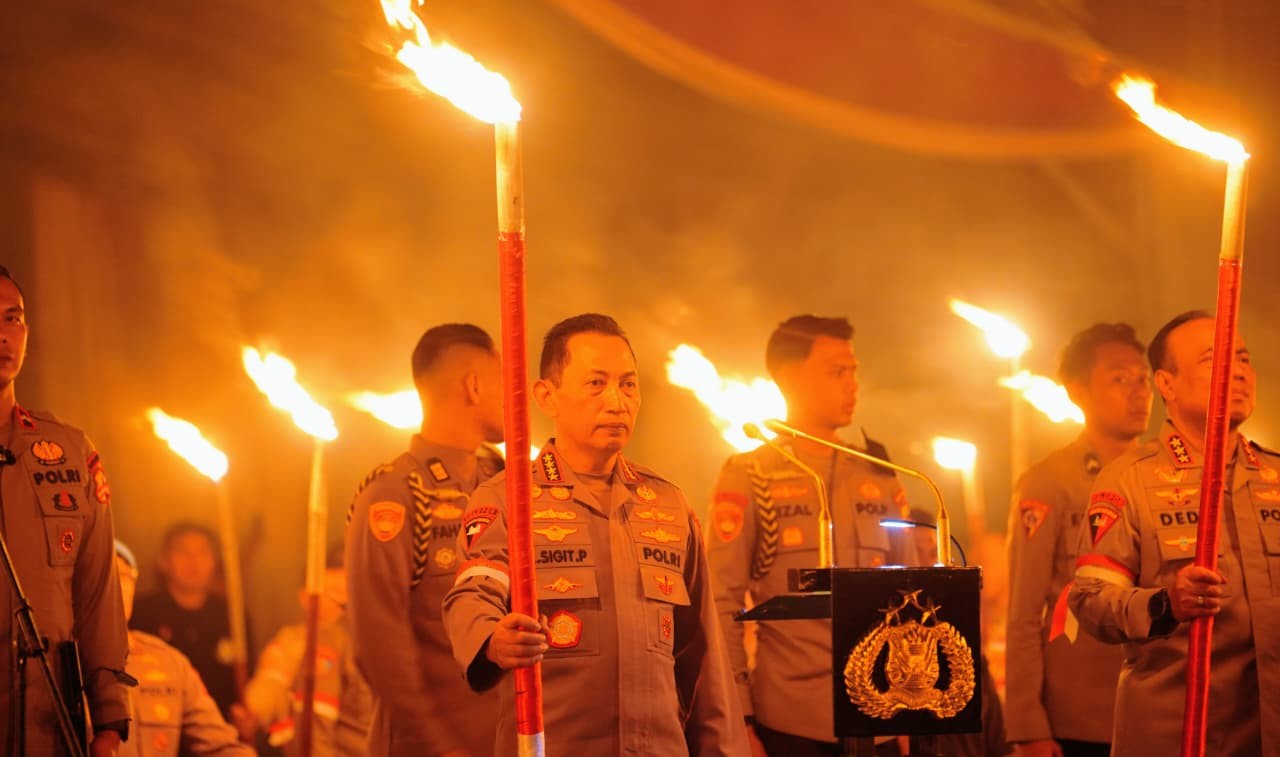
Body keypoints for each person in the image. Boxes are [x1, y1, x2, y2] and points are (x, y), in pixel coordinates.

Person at [443, 313, 747, 755]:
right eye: (596, 384)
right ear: (546, 396)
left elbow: (704, 663)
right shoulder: (510, 499)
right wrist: (492, 638)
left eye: (628, 385)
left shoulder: (668, 504)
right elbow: (474, 591)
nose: (617, 401)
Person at [1068, 310, 1280, 756]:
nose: (1238, 370)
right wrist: (1165, 604)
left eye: (1243, 357)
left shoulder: (1275, 477)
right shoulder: (1130, 479)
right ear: (1167, 384)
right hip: (1177, 735)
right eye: (1213, 359)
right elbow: (1090, 600)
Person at [706, 315, 916, 756]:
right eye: (837, 372)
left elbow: (913, 592)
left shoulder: (879, 474)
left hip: (881, 719)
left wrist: (912, 708)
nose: (852, 384)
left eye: (854, 371)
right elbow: (722, 603)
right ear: (790, 379)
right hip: (790, 722)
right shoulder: (751, 475)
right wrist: (741, 718)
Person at [345, 323, 506, 756]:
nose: (514, 396)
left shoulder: (503, 483)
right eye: (503, 379)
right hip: (430, 746)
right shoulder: (396, 495)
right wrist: (438, 747)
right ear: (474, 386)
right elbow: (380, 647)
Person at [0, 266, 131, 755]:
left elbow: (97, 593)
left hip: (49, 722)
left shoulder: (69, 451)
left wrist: (110, 719)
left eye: (13, 318)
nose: (3, 334)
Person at [1005, 323, 1152, 757]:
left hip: (1157, 711)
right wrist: (1027, 725)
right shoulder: (1050, 482)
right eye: (1119, 379)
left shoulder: (1167, 478)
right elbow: (1024, 612)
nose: (1138, 392)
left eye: (1142, 378)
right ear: (1077, 391)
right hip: (1081, 715)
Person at [115, 540, 252, 757]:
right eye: (105, 574)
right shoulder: (62, 663)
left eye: (125, 576)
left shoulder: (169, 663)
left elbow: (220, 746)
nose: (117, 586)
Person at [237, 545, 373, 755]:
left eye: (346, 592)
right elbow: (272, 680)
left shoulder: (371, 643)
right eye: (330, 592)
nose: (339, 602)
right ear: (305, 596)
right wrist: (253, 710)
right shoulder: (294, 641)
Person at [132, 522, 246, 720]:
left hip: (220, 724)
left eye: (202, 552)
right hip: (158, 721)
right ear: (163, 561)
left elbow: (247, 676)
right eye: (182, 552)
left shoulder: (231, 615)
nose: (193, 561)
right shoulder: (141, 614)